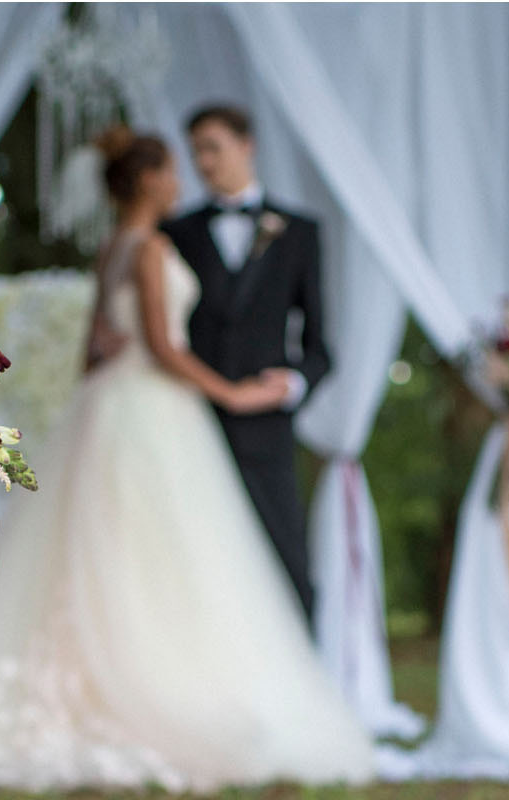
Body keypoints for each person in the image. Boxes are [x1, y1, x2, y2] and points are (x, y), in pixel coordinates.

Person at [0, 127, 374, 793]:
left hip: (110, 405)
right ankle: (158, 690)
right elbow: (160, 345)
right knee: (172, 553)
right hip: (154, 407)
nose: (184, 179)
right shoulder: (155, 245)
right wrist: (232, 393)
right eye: (173, 169)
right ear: (149, 180)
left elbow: (99, 345)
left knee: (116, 553)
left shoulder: (112, 249)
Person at [159, 103, 331, 629]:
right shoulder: (176, 232)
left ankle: (304, 685)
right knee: (198, 560)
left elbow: (323, 346)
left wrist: (291, 384)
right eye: (196, 154)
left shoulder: (299, 232)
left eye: (213, 148)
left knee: (286, 562)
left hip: (266, 429)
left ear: (246, 144)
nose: (205, 163)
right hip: (193, 421)